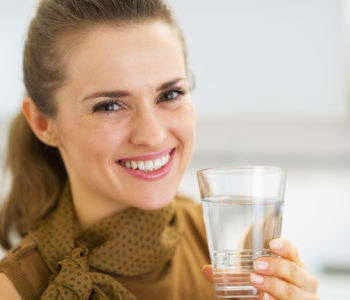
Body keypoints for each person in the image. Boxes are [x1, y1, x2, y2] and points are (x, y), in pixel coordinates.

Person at [0, 0, 319, 299]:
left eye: (169, 95)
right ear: (44, 124)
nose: (152, 135)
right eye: (109, 105)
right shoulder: (16, 288)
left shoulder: (230, 246)